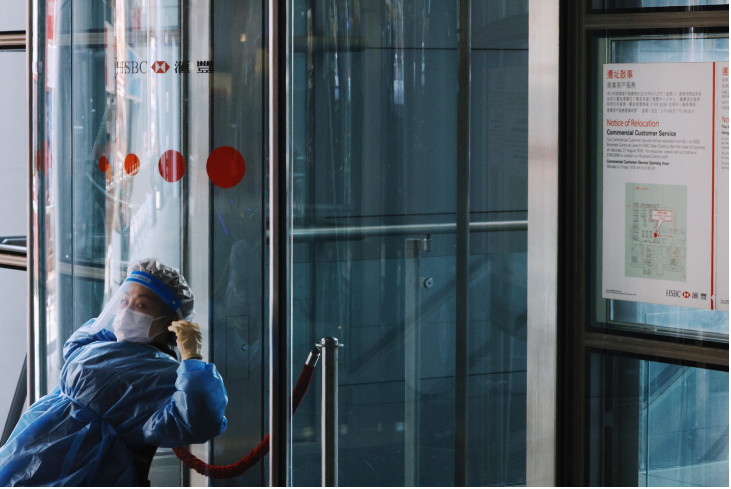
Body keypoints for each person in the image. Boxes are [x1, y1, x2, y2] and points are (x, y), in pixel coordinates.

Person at [0, 258, 227, 486]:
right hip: (24, 457)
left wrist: (192, 361)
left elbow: (197, 420)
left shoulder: (167, 375)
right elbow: (78, 344)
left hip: (83, 473)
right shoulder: (102, 347)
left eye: (141, 305)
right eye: (124, 301)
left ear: (172, 321)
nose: (127, 311)